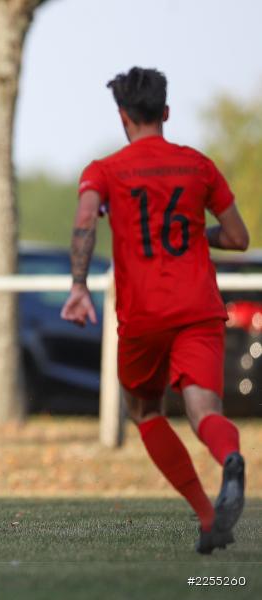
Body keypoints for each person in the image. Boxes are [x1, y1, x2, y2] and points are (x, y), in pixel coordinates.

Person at [61, 67, 247, 554]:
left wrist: (79, 286)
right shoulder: (199, 166)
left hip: (143, 315)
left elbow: (86, 218)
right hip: (199, 308)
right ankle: (230, 457)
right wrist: (196, 232)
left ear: (123, 116)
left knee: (144, 410)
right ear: (165, 112)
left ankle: (207, 515)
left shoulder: (103, 170)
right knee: (204, 411)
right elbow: (237, 237)